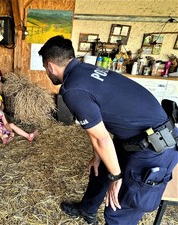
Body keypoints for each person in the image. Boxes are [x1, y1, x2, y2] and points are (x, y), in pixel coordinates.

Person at [38, 35, 178, 225]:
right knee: (101, 167)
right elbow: (98, 128)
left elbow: (102, 139)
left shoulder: (73, 89)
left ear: (50, 66)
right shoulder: (86, 70)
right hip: (137, 136)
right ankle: (87, 209)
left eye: (46, 68)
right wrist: (98, 156)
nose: (47, 73)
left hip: (154, 150)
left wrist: (117, 176)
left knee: (118, 209)